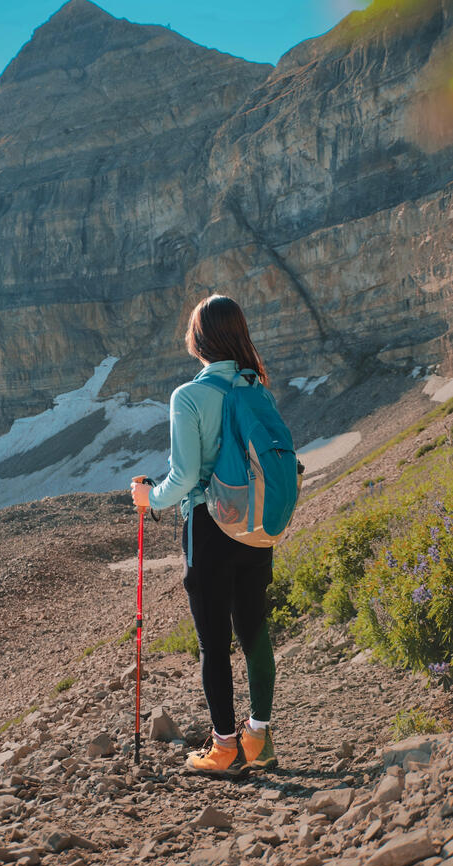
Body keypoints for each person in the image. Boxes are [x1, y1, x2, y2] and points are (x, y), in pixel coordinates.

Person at [131, 294, 278, 776]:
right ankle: (258, 737)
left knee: (213, 644)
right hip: (257, 527)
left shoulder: (189, 396)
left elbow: (184, 477)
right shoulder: (258, 388)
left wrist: (147, 499)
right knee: (254, 631)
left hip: (210, 528)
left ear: (200, 339)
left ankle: (224, 747)